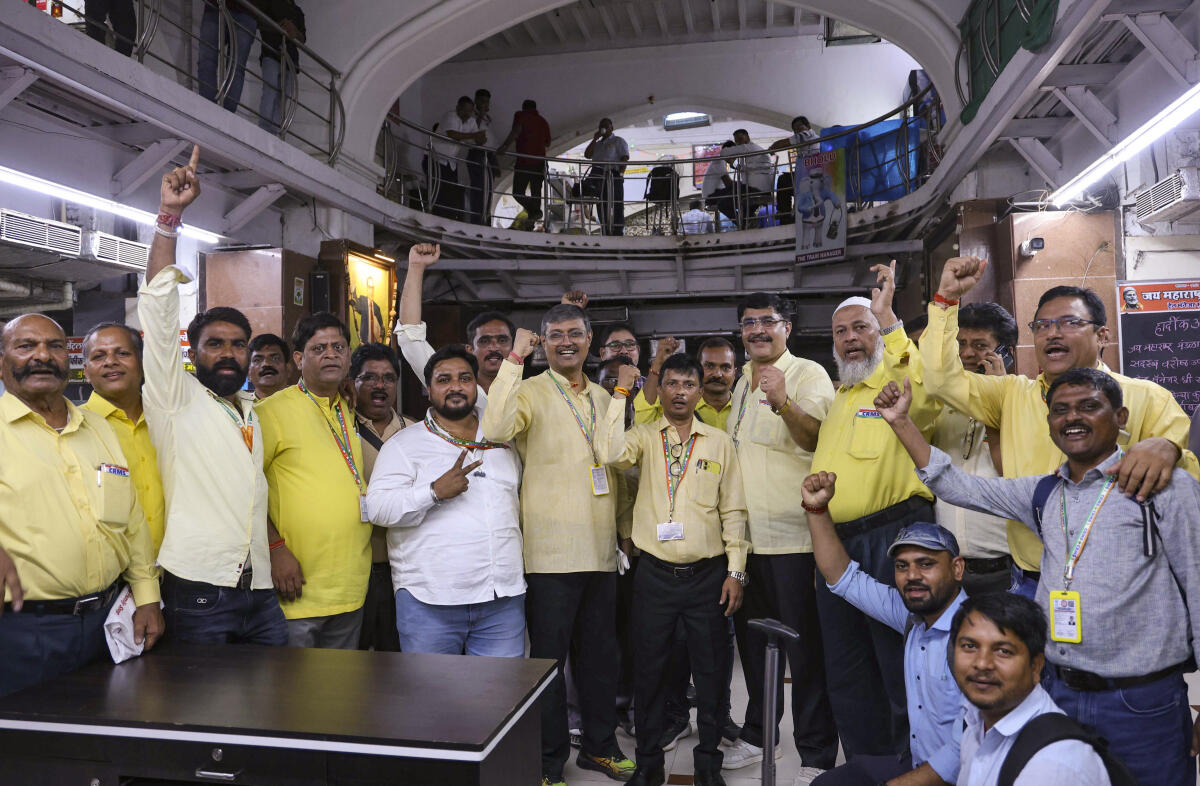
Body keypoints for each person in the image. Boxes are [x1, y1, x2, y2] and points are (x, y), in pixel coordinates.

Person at [876, 367, 1200, 786]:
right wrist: (901, 422)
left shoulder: (1163, 488)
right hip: (1057, 695)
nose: (1073, 417)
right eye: (1060, 410)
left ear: (1120, 418)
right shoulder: (1044, 493)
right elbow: (956, 486)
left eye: (1089, 406)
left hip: (1140, 701)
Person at [921, 256, 1199, 598]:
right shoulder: (1010, 394)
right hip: (1031, 580)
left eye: (1069, 322)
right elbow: (940, 380)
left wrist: (1169, 450)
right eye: (1042, 325)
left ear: (1102, 335)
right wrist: (946, 300)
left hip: (1122, 583)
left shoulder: (1148, 398)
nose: (1052, 333)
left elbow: (1185, 492)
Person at [481, 305, 635, 785]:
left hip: (600, 553)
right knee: (548, 666)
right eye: (555, 335)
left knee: (600, 661)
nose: (566, 342)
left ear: (590, 341)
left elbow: (615, 470)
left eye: (574, 333)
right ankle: (549, 762)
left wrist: (623, 532)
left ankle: (599, 748)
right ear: (542, 343)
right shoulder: (528, 390)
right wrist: (514, 359)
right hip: (549, 555)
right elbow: (495, 429)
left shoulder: (605, 396)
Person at [141, 145, 287, 646]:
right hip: (200, 588)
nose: (228, 353)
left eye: (238, 345)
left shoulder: (250, 409)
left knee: (275, 693)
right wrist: (169, 219)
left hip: (259, 587)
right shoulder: (174, 397)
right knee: (203, 696)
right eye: (215, 344)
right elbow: (159, 312)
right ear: (194, 351)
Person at [809, 262, 943, 763]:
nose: (850, 339)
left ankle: (909, 769)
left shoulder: (898, 384)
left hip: (893, 540)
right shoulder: (841, 397)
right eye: (840, 332)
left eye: (860, 327)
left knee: (898, 664)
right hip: (837, 546)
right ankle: (866, 769)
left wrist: (888, 318)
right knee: (847, 672)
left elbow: (923, 391)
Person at [599, 355, 749, 786]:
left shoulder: (719, 442)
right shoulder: (644, 436)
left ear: (699, 392)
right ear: (660, 390)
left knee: (712, 675)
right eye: (672, 383)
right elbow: (609, 452)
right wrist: (621, 393)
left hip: (708, 577)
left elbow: (734, 510)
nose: (680, 392)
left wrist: (736, 572)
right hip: (654, 577)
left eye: (688, 384)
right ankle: (648, 765)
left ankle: (707, 766)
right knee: (649, 674)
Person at [0, 314, 162, 697]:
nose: (42, 355)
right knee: (30, 732)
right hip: (24, 630)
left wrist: (147, 597)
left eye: (55, 346)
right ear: (2, 361)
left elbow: (131, 519)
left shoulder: (97, 427)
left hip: (110, 623)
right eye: (26, 346)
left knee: (107, 729)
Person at [722, 292, 839, 779]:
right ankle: (758, 735)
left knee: (805, 655)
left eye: (767, 321)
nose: (757, 330)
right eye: (748, 323)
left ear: (787, 327)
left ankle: (816, 755)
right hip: (749, 546)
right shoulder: (740, 385)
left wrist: (783, 402)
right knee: (752, 651)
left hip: (796, 543)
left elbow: (816, 438)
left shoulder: (808, 374)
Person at [803, 471, 965, 786]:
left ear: (957, 568)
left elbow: (969, 746)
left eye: (926, 563)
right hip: (916, 763)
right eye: (902, 566)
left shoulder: (979, 636)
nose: (912, 575)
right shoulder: (910, 615)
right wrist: (817, 510)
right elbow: (842, 577)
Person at [367, 345, 525, 655]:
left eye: (465, 378)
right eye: (444, 380)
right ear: (428, 390)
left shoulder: (504, 439)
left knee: (503, 686)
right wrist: (433, 492)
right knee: (432, 689)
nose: (455, 386)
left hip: (501, 598)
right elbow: (378, 509)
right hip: (430, 600)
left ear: (477, 386)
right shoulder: (404, 445)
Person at [256, 313, 371, 649]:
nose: (331, 354)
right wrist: (275, 549)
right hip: (296, 587)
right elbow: (244, 492)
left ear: (349, 356)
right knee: (293, 682)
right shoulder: (270, 412)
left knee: (340, 682)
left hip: (350, 585)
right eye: (319, 348)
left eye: (338, 347)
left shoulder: (347, 407)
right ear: (298, 359)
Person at [950, 593, 1112, 786]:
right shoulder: (975, 721)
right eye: (969, 646)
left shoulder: (1052, 766)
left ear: (1036, 666)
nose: (982, 663)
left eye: (1003, 651)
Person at [928, 303, 1017, 595]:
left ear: (1005, 353)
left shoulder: (1021, 402)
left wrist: (994, 400)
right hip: (948, 566)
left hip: (1007, 568)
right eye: (961, 344)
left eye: (980, 346)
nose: (966, 354)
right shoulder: (940, 405)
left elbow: (1011, 471)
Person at [81, 323, 167, 553]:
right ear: (86, 371)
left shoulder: (169, 423)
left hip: (177, 567)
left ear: (142, 362)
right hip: (112, 568)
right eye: (99, 356)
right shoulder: (74, 428)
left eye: (122, 353)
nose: (110, 361)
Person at [396, 243, 515, 405]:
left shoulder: (529, 395)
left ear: (513, 349)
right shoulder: (450, 388)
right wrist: (416, 267)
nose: (494, 347)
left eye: (502, 340)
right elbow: (411, 336)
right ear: (470, 350)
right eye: (485, 341)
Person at [350, 342, 413, 651]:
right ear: (352, 382)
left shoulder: (415, 431)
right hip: (354, 565)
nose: (380, 385)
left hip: (403, 568)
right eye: (369, 377)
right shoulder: (339, 428)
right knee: (354, 659)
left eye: (388, 378)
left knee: (397, 657)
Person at [636, 337, 737, 429]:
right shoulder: (674, 409)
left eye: (725, 367)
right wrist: (657, 364)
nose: (717, 374)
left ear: (735, 373)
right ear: (698, 370)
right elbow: (643, 422)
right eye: (709, 366)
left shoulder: (744, 410)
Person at [497, 99, 553, 230]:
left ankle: (534, 212)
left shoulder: (520, 116)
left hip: (524, 162)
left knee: (518, 192)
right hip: (539, 162)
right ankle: (531, 222)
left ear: (523, 108)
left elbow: (515, 132)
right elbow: (548, 143)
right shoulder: (543, 121)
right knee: (536, 193)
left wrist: (504, 146)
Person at [198, 0, 261, 111]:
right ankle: (210, 109)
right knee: (209, 61)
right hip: (218, 6)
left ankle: (223, 113)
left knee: (234, 68)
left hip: (245, 11)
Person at [432, 96, 485, 220]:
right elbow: (452, 134)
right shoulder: (450, 116)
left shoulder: (471, 121)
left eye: (469, 111)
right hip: (435, 159)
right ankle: (437, 219)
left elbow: (479, 141)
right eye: (464, 110)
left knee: (450, 193)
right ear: (457, 108)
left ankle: (447, 220)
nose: (467, 114)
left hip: (450, 162)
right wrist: (474, 135)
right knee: (439, 192)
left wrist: (480, 137)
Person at [258, 0, 305, 135]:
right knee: (270, 90)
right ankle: (264, 129)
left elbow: (302, 38)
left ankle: (274, 131)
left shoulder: (298, 11)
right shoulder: (271, 2)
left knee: (283, 96)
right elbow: (259, 22)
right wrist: (279, 26)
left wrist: (294, 31)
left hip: (290, 59)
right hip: (271, 52)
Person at [769, 116, 820, 224]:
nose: (797, 132)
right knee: (788, 180)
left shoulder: (806, 135)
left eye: (799, 128)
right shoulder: (814, 137)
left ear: (808, 126)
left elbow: (781, 144)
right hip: (808, 175)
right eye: (795, 130)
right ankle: (789, 213)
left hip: (809, 176)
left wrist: (772, 148)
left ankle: (784, 214)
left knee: (783, 180)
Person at [584, 117, 630, 236]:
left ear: (611, 128)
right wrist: (595, 139)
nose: (603, 128)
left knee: (617, 203)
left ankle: (618, 232)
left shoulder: (618, 141)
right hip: (598, 176)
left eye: (606, 126)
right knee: (601, 203)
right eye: (601, 126)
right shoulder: (597, 144)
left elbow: (624, 158)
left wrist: (621, 174)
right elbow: (587, 155)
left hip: (613, 175)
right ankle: (605, 230)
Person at [466, 88, 500, 225]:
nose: (485, 104)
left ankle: (485, 219)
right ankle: (478, 221)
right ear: (476, 101)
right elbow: (473, 132)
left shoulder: (487, 119)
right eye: (482, 101)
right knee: (479, 189)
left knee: (488, 190)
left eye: (487, 102)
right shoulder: (471, 116)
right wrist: (480, 115)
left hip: (488, 155)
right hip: (478, 154)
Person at [727, 129, 774, 227]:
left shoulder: (753, 149)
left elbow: (746, 168)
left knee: (730, 203)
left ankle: (745, 224)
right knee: (734, 202)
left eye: (740, 139)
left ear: (747, 137)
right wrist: (733, 164)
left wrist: (733, 163)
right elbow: (741, 167)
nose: (738, 143)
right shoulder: (744, 151)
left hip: (759, 189)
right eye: (736, 141)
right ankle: (747, 223)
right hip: (752, 188)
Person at [702, 141, 739, 225]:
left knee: (740, 193)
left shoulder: (721, 161)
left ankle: (743, 220)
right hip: (712, 197)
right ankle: (743, 221)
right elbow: (728, 183)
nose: (736, 157)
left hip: (714, 194)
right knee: (742, 193)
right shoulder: (719, 161)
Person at [248, 333, 290, 399]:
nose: (266, 364)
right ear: (248, 373)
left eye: (275, 358)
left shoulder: (304, 402)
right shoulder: (239, 405)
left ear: (288, 369)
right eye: (257, 360)